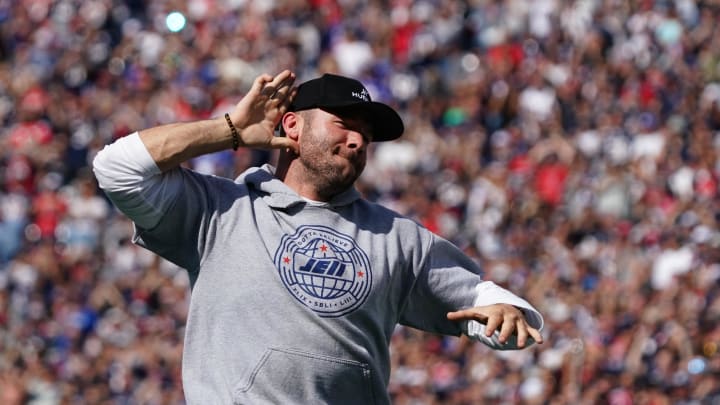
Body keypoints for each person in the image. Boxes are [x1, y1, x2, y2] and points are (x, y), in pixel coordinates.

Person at [92, 70, 544, 404]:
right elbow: (116, 169)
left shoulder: (396, 237)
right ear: (292, 126)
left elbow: (486, 302)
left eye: (366, 135)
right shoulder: (221, 209)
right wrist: (228, 129)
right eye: (343, 124)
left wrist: (508, 312)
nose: (357, 141)